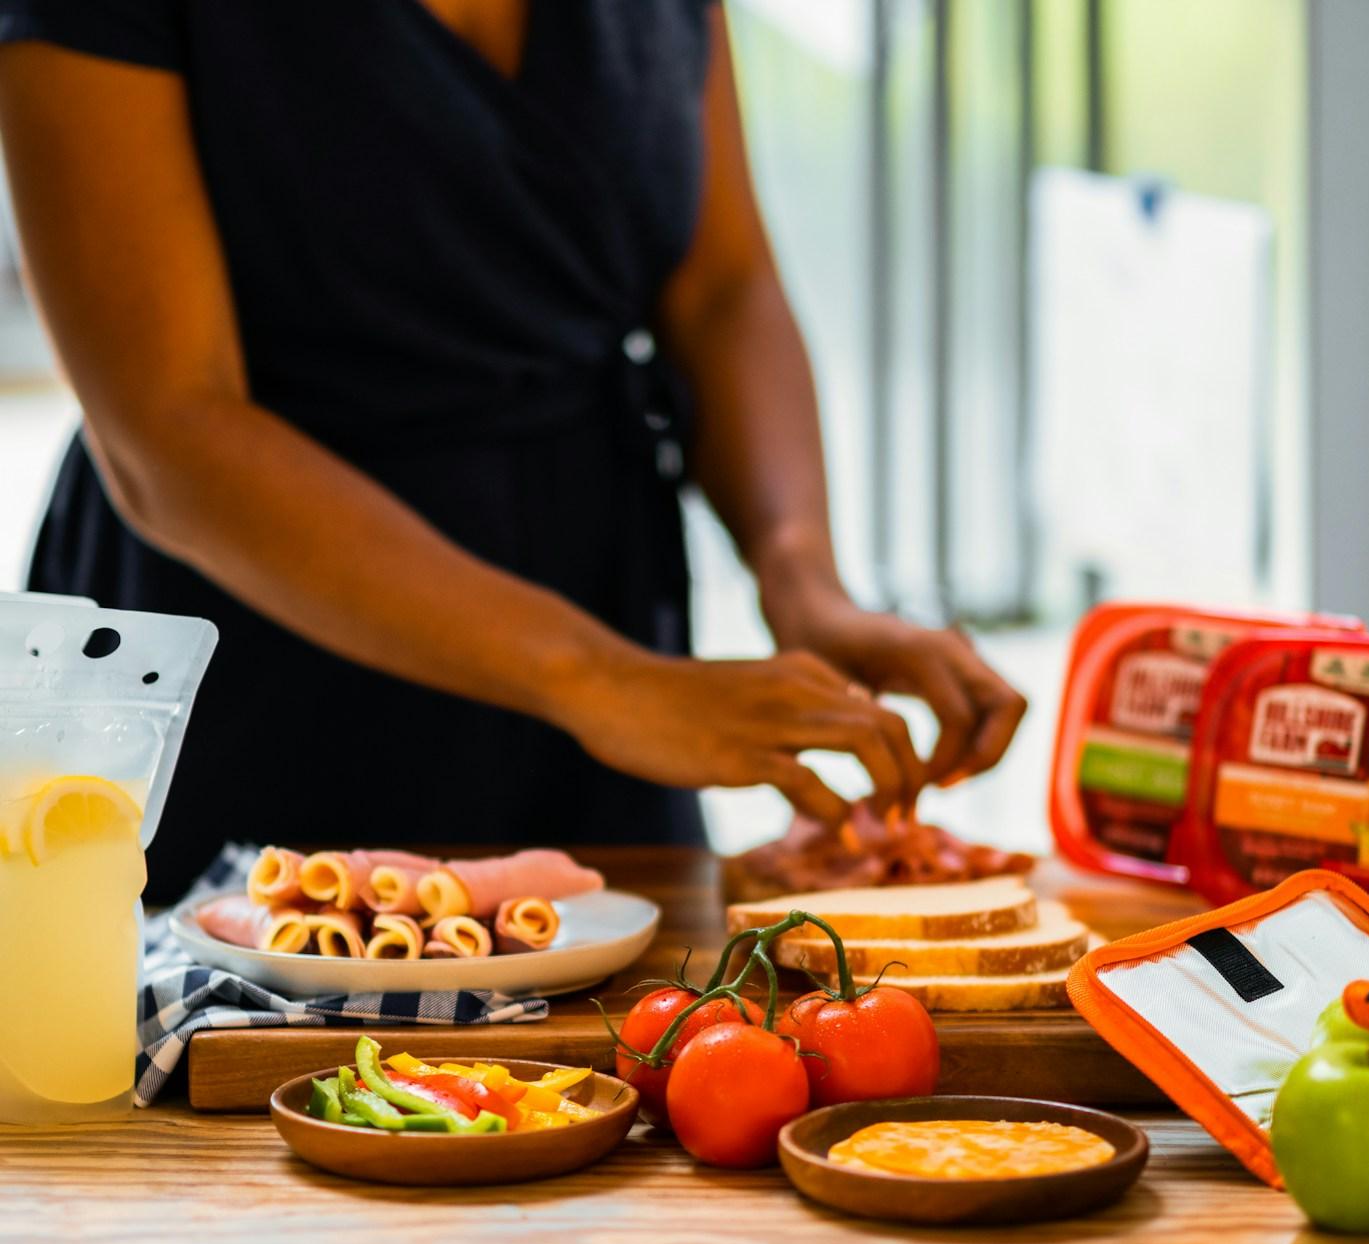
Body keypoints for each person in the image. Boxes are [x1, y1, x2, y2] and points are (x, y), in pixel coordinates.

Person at [0, 0, 1025, 898]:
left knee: (617, 1077)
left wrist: (801, 577)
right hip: (253, 657)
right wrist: (598, 679)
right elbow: (167, 428)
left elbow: (719, 289)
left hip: (599, 639)